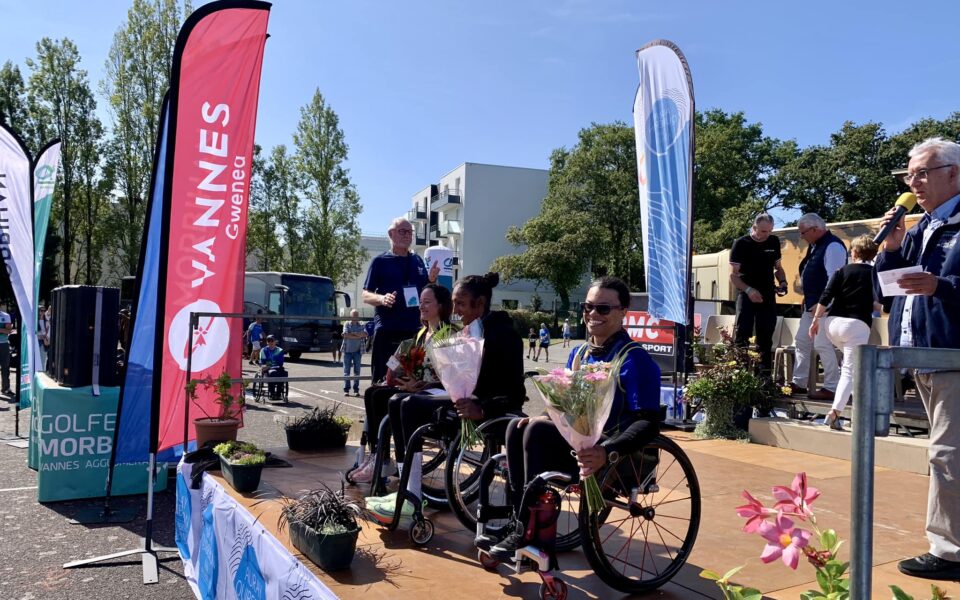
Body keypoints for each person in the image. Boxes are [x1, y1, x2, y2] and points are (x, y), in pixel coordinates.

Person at [487, 276, 661, 560]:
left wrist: (607, 451)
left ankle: (532, 532)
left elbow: (649, 422)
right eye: (588, 307)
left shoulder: (636, 360)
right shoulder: (579, 353)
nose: (593, 314)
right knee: (517, 427)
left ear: (623, 311)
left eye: (603, 309)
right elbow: (562, 405)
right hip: (576, 448)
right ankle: (520, 521)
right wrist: (542, 416)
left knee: (536, 434)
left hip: (617, 457)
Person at [370, 273, 525, 520]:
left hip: (485, 409)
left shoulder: (503, 336)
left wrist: (483, 408)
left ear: (480, 303)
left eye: (461, 303)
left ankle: (413, 493)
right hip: (459, 399)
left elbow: (514, 392)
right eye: (454, 303)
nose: (456, 310)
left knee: (408, 405)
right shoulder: (468, 331)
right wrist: (429, 382)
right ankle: (408, 487)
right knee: (396, 400)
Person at [876, 137, 960, 581]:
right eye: (910, 174)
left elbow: (939, 285)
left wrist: (941, 287)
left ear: (954, 173)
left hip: (952, 356)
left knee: (947, 456)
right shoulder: (920, 227)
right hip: (921, 356)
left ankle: (949, 552)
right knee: (949, 455)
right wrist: (891, 248)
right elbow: (884, 288)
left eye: (923, 172)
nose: (914, 182)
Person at [355, 283, 453, 484]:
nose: (421, 307)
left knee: (390, 399)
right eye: (420, 302)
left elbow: (449, 374)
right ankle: (379, 456)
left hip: (434, 391)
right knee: (373, 392)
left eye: (427, 302)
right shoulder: (421, 334)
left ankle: (390, 462)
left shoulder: (449, 334)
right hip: (415, 385)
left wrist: (420, 384)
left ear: (441, 306)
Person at [807, 235, 878, 430]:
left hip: (832, 324)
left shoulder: (841, 271)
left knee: (851, 365)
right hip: (856, 325)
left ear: (854, 253)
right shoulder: (874, 273)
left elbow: (825, 296)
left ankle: (845, 409)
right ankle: (836, 412)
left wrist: (815, 321)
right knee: (850, 370)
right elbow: (879, 302)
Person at [363, 217, 440, 384]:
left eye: (410, 232)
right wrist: (382, 298)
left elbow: (424, 291)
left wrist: (432, 281)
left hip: (413, 332)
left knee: (410, 379)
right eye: (402, 231)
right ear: (391, 234)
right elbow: (365, 295)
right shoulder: (380, 262)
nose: (407, 236)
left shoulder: (417, 261)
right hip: (388, 331)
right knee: (384, 379)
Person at [791, 213, 846, 398]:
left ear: (815, 229)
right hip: (811, 304)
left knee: (822, 344)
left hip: (824, 307)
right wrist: (807, 297)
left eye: (803, 232)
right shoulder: (816, 246)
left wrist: (824, 303)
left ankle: (831, 386)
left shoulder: (833, 246)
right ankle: (799, 382)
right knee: (801, 341)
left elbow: (834, 279)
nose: (802, 236)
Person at [729, 213, 788, 374]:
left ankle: (764, 376)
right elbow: (733, 275)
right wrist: (748, 290)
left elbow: (779, 268)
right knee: (743, 333)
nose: (766, 235)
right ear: (754, 228)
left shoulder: (773, 241)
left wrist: (783, 282)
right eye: (763, 231)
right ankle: (739, 373)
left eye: (769, 231)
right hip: (746, 292)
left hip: (767, 293)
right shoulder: (741, 243)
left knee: (766, 333)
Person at [341, 310, 367, 396]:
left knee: (357, 371)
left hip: (358, 352)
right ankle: (346, 390)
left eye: (356, 316)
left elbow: (365, 334)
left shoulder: (362, 324)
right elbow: (345, 335)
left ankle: (356, 390)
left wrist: (352, 334)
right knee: (346, 371)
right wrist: (358, 335)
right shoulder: (346, 324)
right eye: (353, 316)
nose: (354, 318)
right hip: (347, 352)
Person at [259, 334, 287, 400]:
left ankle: (278, 394)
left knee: (284, 373)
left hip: (277, 367)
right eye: (269, 341)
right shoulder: (263, 350)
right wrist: (268, 365)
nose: (270, 342)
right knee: (273, 373)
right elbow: (262, 362)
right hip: (267, 369)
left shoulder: (279, 350)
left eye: (272, 340)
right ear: (267, 342)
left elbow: (280, 362)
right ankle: (272, 393)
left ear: (275, 341)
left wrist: (269, 364)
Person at [0, 306, 12, 396]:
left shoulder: (6, 316)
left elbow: (8, 331)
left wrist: (2, 330)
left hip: (4, 344)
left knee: (5, 367)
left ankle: (6, 388)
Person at [37, 305, 51, 373]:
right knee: (37, 360)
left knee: (44, 359)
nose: (42, 312)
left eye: (43, 310)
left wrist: (46, 337)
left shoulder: (47, 320)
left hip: (45, 342)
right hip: (38, 342)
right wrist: (41, 336)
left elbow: (48, 332)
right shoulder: (35, 321)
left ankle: (42, 374)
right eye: (41, 310)